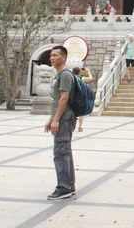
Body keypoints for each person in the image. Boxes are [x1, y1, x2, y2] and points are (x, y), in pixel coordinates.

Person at [45, 45, 77, 200]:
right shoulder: (61, 74)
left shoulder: (65, 75)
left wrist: (56, 120)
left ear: (64, 57)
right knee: (65, 152)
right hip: (62, 118)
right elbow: (58, 100)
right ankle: (69, 185)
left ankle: (64, 187)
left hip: (64, 120)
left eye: (56, 55)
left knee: (60, 153)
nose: (52, 58)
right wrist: (51, 119)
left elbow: (64, 98)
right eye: (51, 55)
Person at [73, 66, 93, 133]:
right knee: (80, 112)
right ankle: (80, 127)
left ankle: (72, 126)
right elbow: (90, 79)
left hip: (73, 97)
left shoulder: (72, 77)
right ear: (79, 72)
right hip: (80, 97)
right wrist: (88, 71)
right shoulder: (81, 78)